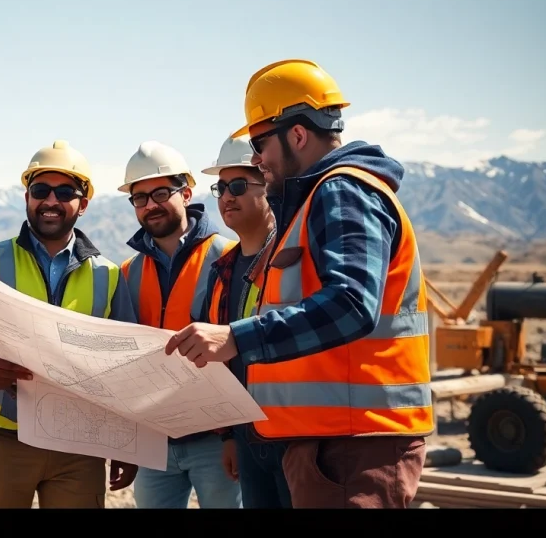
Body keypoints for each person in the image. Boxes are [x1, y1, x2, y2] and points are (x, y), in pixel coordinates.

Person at [165, 58, 433, 509]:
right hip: (327, 442)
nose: (256, 158)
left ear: (298, 134)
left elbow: (351, 303)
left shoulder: (342, 190)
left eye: (260, 142)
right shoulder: (318, 199)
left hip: (353, 445)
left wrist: (236, 336)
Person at [0, 140, 139, 509]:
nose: (50, 200)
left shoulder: (109, 276)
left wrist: (129, 441)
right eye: (40, 190)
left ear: (84, 203)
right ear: (26, 196)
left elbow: (128, 367)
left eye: (65, 192)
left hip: (79, 449)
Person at [117, 141, 241, 509]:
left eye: (160, 193)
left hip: (216, 440)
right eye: (139, 198)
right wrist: (128, 438)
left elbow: (245, 351)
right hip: (155, 441)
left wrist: (235, 435)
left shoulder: (230, 257)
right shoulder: (128, 272)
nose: (150, 205)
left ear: (186, 193)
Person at [196, 133, 290, 508]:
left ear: (267, 186)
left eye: (237, 185)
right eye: (220, 187)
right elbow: (228, 363)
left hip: (293, 435)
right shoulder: (223, 270)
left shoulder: (289, 258)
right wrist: (229, 436)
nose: (226, 196)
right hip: (249, 438)